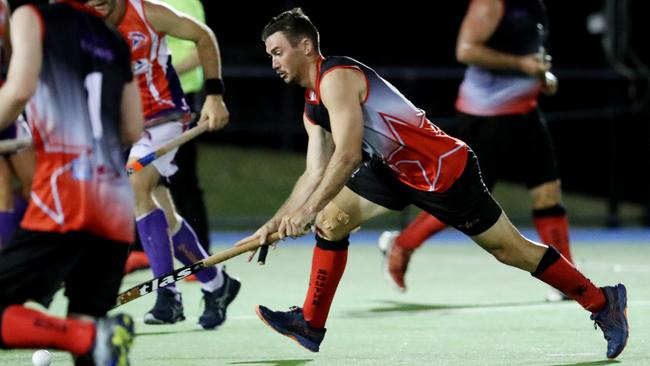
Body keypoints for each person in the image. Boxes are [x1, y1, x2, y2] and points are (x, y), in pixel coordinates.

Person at [240, 8, 628, 359]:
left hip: (441, 169)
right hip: (394, 168)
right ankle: (310, 323)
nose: (273, 61)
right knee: (331, 222)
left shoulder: (336, 78)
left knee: (511, 252)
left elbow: (347, 156)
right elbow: (313, 172)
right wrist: (275, 224)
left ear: (305, 46)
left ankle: (602, 302)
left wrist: (305, 213)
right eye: (269, 54)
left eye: (277, 51)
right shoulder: (312, 102)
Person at [378, 0, 572, 301]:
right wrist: (522, 66)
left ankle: (565, 279)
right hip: (485, 115)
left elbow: (530, 53)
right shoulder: (492, 3)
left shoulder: (536, 6)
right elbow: (466, 49)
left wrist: (541, 77)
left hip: (527, 111)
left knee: (549, 193)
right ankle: (402, 243)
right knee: (464, 200)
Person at [0, 0, 140, 364]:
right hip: (114, 205)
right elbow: (131, 128)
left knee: (87, 338)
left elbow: (17, 91)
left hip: (64, 199)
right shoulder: (115, 39)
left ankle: (88, 336)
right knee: (93, 344)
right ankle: (91, 335)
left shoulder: (33, 18)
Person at [86, 0, 240, 329]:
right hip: (124, 126)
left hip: (164, 116)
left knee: (136, 184)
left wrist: (215, 94)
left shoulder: (147, 12)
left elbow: (203, 36)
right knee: (164, 213)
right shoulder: (81, 26)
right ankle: (217, 284)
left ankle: (167, 294)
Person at [0, 0, 34, 248]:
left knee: (35, 185)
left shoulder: (3, 6)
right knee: (1, 187)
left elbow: (14, 60)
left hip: (7, 106)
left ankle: (37, 260)